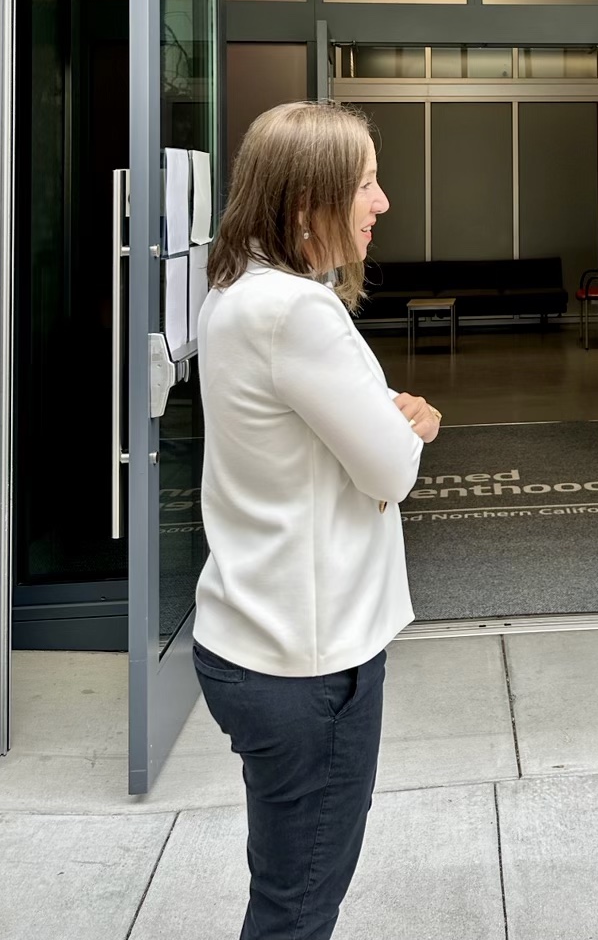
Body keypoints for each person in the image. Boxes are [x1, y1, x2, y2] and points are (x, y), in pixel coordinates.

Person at [193, 101, 441, 940]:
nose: (382, 202)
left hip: (249, 637)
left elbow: (316, 441)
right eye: (365, 183)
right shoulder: (299, 312)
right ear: (307, 203)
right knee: (298, 910)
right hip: (307, 662)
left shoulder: (234, 293)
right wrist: (405, 425)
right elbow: (390, 468)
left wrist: (379, 418)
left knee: (285, 889)